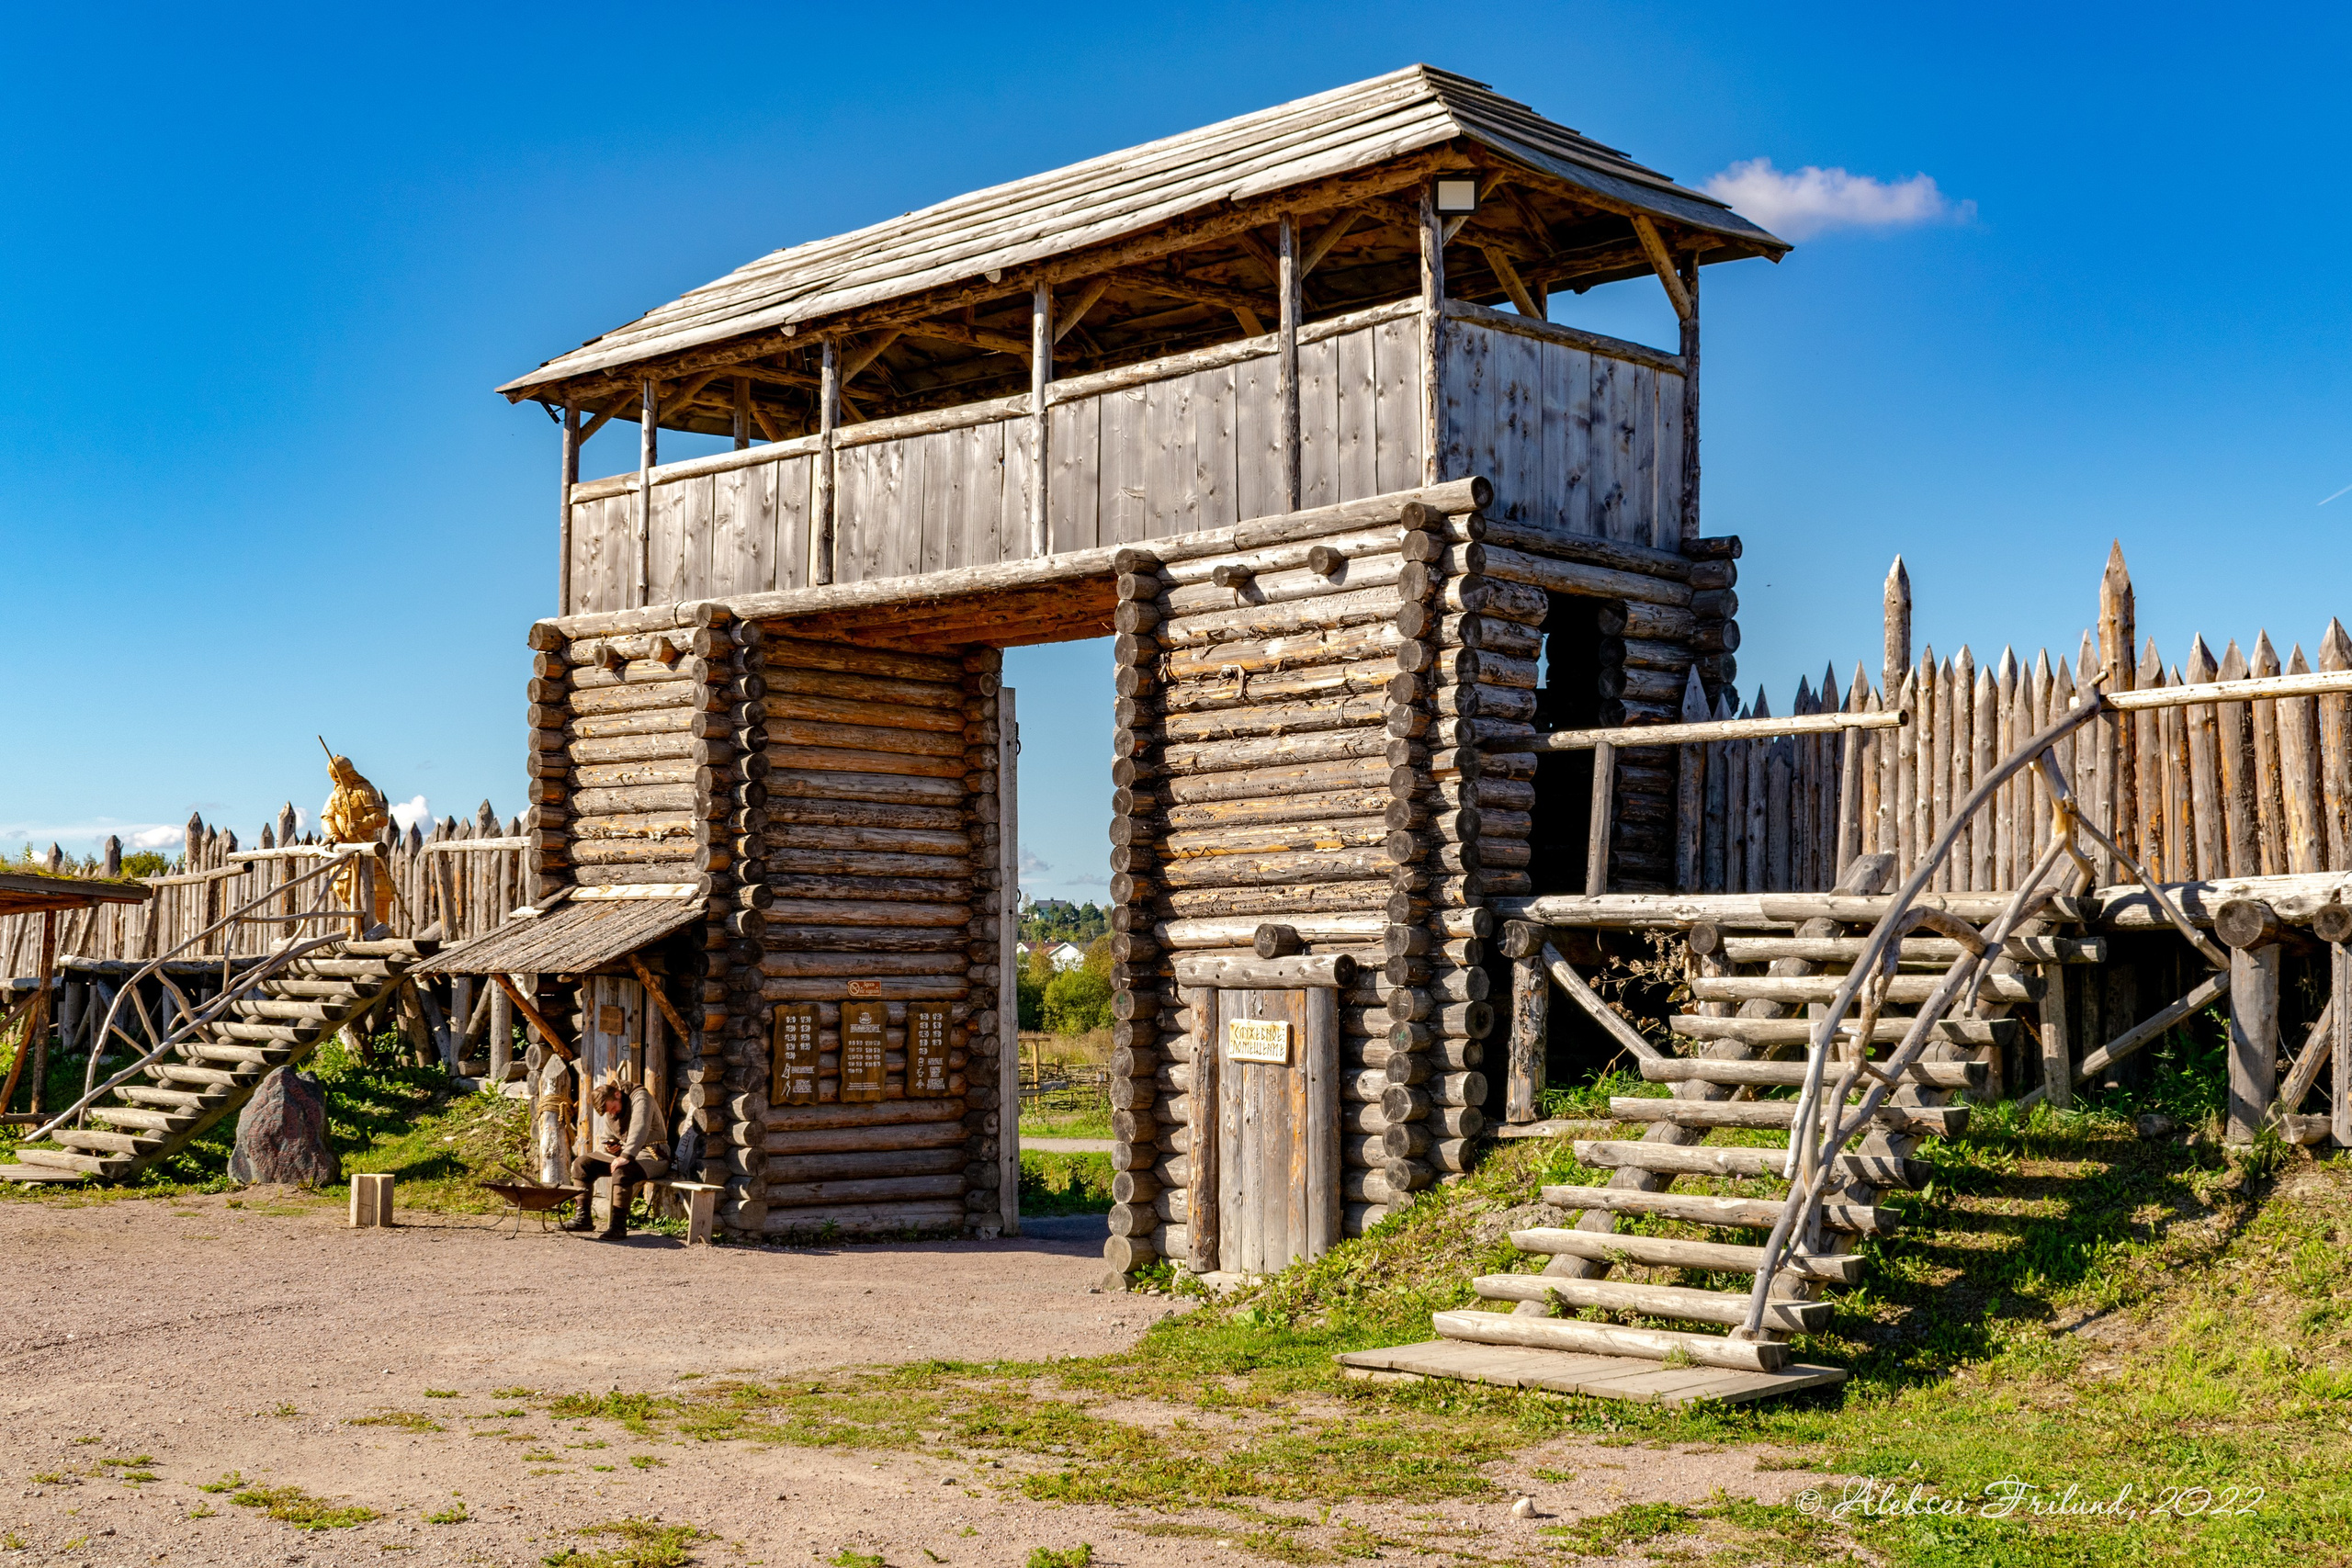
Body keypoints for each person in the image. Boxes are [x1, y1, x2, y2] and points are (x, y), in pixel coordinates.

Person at [564, 1066, 669, 1239]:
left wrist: (625, 1156)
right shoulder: (613, 1104)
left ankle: (618, 1227)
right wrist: (611, 1147)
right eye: (608, 1111)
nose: (611, 1113)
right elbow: (609, 1135)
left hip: (653, 1155)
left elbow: (639, 1128)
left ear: (618, 1095)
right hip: (627, 1153)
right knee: (582, 1164)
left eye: (611, 1108)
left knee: (622, 1170)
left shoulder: (640, 1097)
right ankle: (583, 1219)